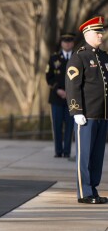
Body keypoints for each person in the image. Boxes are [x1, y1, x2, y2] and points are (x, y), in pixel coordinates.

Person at [65, 16, 108, 204]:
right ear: (87, 33)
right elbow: (72, 85)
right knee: (84, 156)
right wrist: (76, 111)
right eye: (98, 32)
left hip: (102, 114)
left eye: (102, 31)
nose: (101, 35)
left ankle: (94, 189)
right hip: (87, 114)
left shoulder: (104, 57)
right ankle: (84, 192)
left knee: (97, 156)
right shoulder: (80, 56)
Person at [46, 34, 75, 158]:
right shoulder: (54, 58)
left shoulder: (77, 57)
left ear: (73, 43)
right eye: (65, 41)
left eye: (69, 41)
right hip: (57, 98)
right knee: (57, 126)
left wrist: (71, 91)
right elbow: (49, 77)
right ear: (61, 43)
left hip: (72, 98)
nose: (67, 43)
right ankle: (58, 151)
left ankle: (67, 151)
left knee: (70, 126)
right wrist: (58, 89)